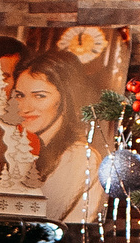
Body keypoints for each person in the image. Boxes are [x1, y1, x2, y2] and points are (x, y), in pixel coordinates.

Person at [8, 49, 108, 223]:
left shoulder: (79, 156)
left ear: (65, 99)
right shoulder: (26, 149)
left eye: (39, 96)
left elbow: (43, 217)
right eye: (19, 96)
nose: (24, 108)